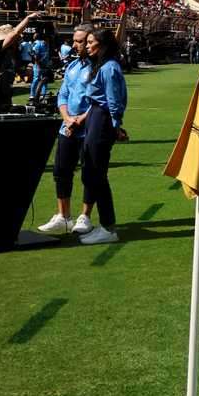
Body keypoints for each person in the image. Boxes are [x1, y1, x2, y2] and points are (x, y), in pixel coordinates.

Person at [37, 25, 95, 236]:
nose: (75, 44)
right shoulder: (72, 67)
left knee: (89, 174)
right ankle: (63, 216)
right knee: (61, 172)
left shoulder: (97, 67)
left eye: (80, 41)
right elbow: (63, 96)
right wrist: (67, 119)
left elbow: (99, 100)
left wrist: (79, 120)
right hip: (67, 127)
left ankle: (85, 216)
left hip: (88, 128)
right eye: (75, 40)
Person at [76, 28, 128, 245]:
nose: (86, 46)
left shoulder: (109, 68)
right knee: (90, 170)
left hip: (102, 117)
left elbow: (114, 100)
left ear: (102, 45)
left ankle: (108, 226)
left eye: (90, 42)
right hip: (96, 116)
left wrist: (115, 126)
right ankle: (104, 224)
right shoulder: (100, 65)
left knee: (97, 173)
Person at [0, 12, 42, 116]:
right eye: (15, 39)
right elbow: (14, 34)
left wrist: (28, 69)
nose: (18, 41)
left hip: (4, 93)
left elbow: (23, 74)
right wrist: (28, 18)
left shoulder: (14, 54)